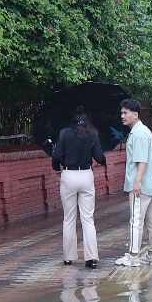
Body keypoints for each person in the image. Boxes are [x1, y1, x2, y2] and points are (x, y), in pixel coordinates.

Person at [53, 112, 105, 269]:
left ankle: (68, 257)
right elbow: (99, 157)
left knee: (69, 218)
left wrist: (58, 168)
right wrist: (102, 159)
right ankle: (91, 258)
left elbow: (56, 156)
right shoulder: (92, 134)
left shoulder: (64, 133)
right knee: (88, 219)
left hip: (69, 174)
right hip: (86, 175)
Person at [119, 98, 152, 266]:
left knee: (136, 220)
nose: (122, 116)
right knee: (151, 220)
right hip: (149, 185)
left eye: (125, 113)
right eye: (121, 112)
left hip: (140, 186)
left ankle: (134, 256)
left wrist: (137, 181)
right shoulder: (143, 131)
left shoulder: (139, 133)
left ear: (135, 114)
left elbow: (141, 160)